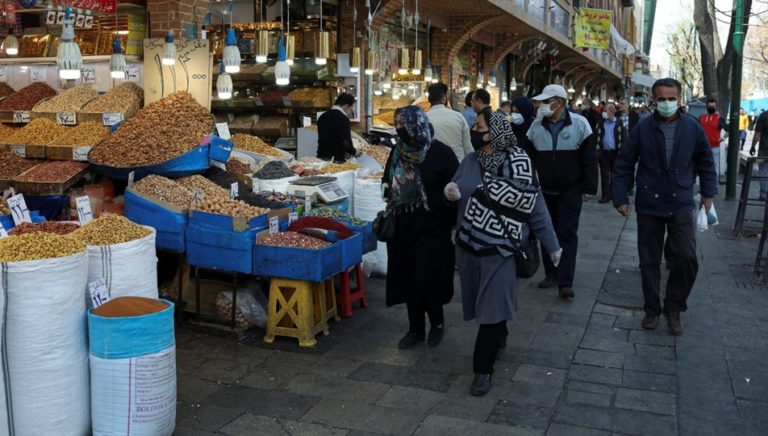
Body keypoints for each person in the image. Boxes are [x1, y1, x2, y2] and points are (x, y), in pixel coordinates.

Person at [445, 108, 560, 397]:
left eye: (480, 125)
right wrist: (450, 192)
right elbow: (457, 187)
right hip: (469, 248)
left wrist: (553, 245)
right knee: (484, 306)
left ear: (496, 131)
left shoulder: (520, 163)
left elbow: (536, 208)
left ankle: (482, 370)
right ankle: (500, 335)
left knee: (493, 308)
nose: (474, 129)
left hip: (502, 250)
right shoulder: (471, 160)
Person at [612, 78, 716, 336]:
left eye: (672, 99)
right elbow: (625, 162)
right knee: (649, 260)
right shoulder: (643, 128)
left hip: (680, 201)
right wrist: (620, 197)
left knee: (686, 257)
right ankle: (651, 309)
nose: (667, 103)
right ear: (653, 100)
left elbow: (705, 161)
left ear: (679, 100)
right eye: (662, 99)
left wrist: (708, 193)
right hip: (649, 202)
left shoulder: (692, 128)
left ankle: (674, 306)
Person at [382, 106, 459, 349]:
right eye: (398, 125)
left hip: (433, 228)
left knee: (429, 279)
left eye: (404, 125)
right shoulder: (398, 152)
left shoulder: (441, 154)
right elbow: (386, 182)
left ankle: (436, 321)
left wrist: (451, 212)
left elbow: (455, 189)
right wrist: (390, 193)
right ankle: (415, 328)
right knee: (409, 279)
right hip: (404, 227)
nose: (400, 130)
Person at [527, 84, 598, 299]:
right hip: (544, 190)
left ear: (559, 102)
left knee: (567, 234)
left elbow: (589, 159)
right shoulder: (535, 127)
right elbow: (528, 159)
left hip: (570, 189)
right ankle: (551, 274)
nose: (541, 105)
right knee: (546, 232)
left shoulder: (580, 124)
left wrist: (589, 187)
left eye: (546, 101)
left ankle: (565, 281)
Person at [426, 82, 473, 161]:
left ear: (429, 100)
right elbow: (468, 148)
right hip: (458, 167)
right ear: (444, 98)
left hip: (431, 168)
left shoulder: (424, 119)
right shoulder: (458, 116)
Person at [596, 103, 628, 204]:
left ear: (612, 111)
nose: (603, 113)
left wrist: (622, 152)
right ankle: (606, 196)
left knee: (615, 175)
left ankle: (614, 194)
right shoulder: (601, 123)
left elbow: (624, 139)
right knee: (604, 175)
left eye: (605, 111)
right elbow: (596, 137)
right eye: (603, 111)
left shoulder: (619, 123)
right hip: (604, 153)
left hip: (616, 153)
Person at [316, 93, 358, 162]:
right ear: (346, 106)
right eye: (351, 107)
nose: (351, 110)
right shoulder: (343, 118)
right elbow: (345, 142)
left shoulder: (322, 116)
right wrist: (354, 151)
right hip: (336, 160)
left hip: (321, 158)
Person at [699, 97, 728, 184]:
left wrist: (722, 139)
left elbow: (728, 130)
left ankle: (713, 187)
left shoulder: (719, 118)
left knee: (711, 167)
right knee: (704, 168)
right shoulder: (701, 117)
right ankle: (709, 186)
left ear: (716, 107)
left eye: (713, 106)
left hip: (714, 147)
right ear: (706, 106)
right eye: (710, 106)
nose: (711, 108)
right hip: (702, 147)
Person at [750, 108, 768, 200]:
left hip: (764, 151)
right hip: (763, 151)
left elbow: (757, 134)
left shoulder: (764, 116)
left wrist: (752, 146)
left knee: (763, 171)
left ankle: (763, 193)